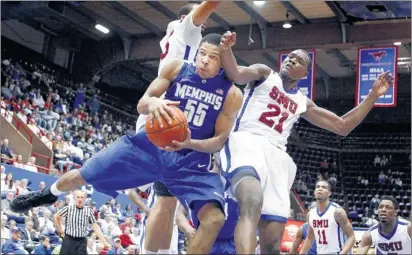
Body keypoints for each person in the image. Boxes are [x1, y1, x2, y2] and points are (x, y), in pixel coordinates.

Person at [11, 33, 243, 254]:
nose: (204, 60)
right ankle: (48, 193)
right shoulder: (177, 68)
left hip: (189, 160)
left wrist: (189, 142)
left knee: (214, 218)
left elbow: (219, 141)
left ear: (223, 63)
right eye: (202, 53)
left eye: (212, 57)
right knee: (84, 173)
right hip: (150, 146)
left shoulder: (231, 94)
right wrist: (153, 104)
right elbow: (142, 104)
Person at [217, 31, 395, 254]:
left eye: (299, 59)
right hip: (248, 142)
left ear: (305, 73)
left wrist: (372, 97)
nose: (291, 59)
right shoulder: (264, 74)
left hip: (277, 156)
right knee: (251, 202)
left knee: (272, 239)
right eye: (290, 56)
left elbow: (342, 126)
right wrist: (226, 49)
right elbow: (235, 73)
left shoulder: (303, 102)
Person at [133, 2, 222, 254]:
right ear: (186, 17)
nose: (204, 23)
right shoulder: (186, 30)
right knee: (161, 199)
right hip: (164, 117)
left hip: (170, 117)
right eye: (198, 17)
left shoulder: (185, 41)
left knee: (169, 201)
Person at [299, 180, 355, 254]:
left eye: (324, 187)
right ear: (314, 192)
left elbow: (351, 237)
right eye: (318, 187)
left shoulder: (337, 212)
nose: (320, 189)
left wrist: (343, 253)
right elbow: (310, 238)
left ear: (329, 193)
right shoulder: (310, 214)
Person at [53, 190, 110, 254]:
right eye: (78, 197)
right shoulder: (68, 208)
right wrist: (60, 230)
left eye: (82, 197)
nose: (80, 199)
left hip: (81, 241)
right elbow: (56, 216)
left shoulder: (88, 211)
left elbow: (95, 227)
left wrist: (104, 241)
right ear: (74, 198)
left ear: (85, 199)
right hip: (69, 240)